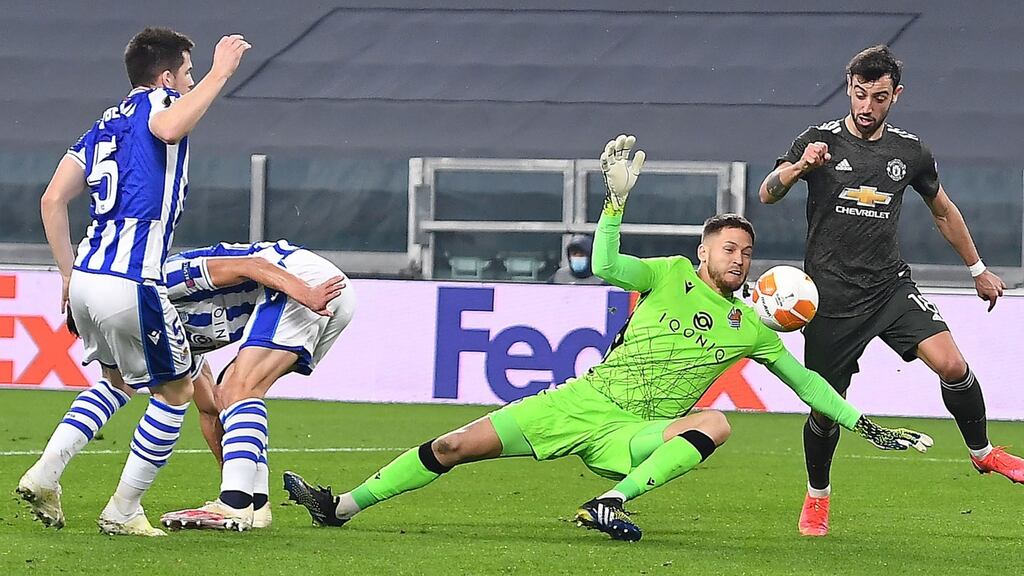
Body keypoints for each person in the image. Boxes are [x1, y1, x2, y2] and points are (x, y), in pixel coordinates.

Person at [281, 135, 931, 542]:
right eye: (729, 247)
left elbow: (806, 381)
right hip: (581, 402)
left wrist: (865, 424)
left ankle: (610, 501)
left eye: (746, 250)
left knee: (715, 423)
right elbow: (605, 265)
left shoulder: (749, 328)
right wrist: (614, 205)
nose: (739, 257)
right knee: (453, 445)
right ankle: (340, 506)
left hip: (636, 435)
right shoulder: (670, 274)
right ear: (704, 252)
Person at [758, 45, 1021, 537]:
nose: (867, 106)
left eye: (878, 97)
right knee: (827, 409)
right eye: (860, 94)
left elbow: (943, 210)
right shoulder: (817, 140)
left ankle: (984, 453)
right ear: (849, 88)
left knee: (953, 365)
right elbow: (767, 193)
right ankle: (817, 496)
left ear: (895, 95)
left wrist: (978, 269)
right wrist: (799, 167)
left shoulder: (911, 152)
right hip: (830, 299)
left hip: (888, 288)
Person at [19, 27, 250, 536]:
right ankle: (123, 510)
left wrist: (66, 274)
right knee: (177, 391)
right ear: (166, 77)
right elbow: (168, 128)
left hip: (86, 276)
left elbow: (52, 200)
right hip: (130, 278)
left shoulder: (105, 123)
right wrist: (222, 73)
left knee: (116, 383)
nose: (191, 83)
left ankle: (46, 473)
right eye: (188, 73)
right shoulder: (159, 103)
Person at [157, 240, 357, 532]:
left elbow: (252, 265)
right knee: (227, 393)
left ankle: (234, 503)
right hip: (316, 292)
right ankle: (255, 503)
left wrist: (305, 293)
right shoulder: (163, 336)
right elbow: (210, 408)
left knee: (240, 389)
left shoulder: (161, 280)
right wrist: (235, 472)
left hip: (304, 282)